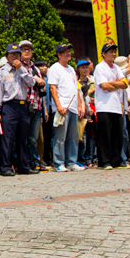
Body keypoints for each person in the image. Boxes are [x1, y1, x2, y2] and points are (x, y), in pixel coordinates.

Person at [0, 43, 39, 176]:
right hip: (9, 106)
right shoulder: (2, 72)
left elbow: (32, 82)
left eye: (17, 54)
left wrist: (22, 70)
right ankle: (5, 166)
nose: (15, 57)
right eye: (12, 54)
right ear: (7, 57)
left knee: (23, 138)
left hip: (23, 105)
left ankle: (23, 165)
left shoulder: (23, 69)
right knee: (8, 138)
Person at [47, 43, 85, 172]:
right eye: (65, 52)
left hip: (73, 106)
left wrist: (80, 105)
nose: (68, 53)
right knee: (60, 136)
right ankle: (58, 162)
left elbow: (77, 88)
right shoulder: (54, 68)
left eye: (69, 51)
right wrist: (58, 105)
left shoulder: (71, 70)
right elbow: (53, 87)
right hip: (62, 107)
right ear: (59, 55)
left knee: (73, 136)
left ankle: (71, 162)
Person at [92, 44, 130, 170]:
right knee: (105, 135)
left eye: (114, 52)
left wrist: (112, 82)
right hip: (104, 106)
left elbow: (125, 84)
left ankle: (116, 160)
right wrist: (117, 84)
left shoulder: (116, 68)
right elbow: (104, 86)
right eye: (110, 52)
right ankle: (105, 161)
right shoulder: (100, 67)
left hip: (117, 106)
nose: (113, 54)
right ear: (103, 54)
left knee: (117, 135)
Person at [19, 41, 47, 172]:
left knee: (34, 137)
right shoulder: (19, 67)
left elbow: (42, 89)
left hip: (38, 105)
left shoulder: (35, 68)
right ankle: (27, 162)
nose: (26, 52)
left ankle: (35, 161)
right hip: (26, 105)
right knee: (25, 136)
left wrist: (45, 109)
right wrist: (35, 80)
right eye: (24, 49)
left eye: (29, 49)